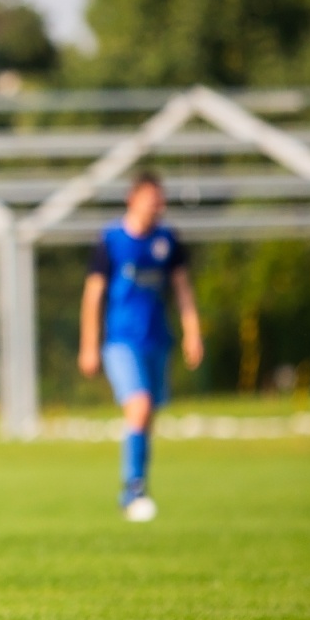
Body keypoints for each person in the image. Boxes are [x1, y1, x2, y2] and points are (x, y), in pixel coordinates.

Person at [77, 171, 203, 522]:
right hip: (120, 341)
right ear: (132, 199)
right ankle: (133, 489)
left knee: (147, 419)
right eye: (151, 199)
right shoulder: (111, 241)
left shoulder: (167, 241)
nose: (156, 206)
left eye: (160, 200)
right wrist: (89, 345)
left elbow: (182, 289)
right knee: (140, 406)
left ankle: (137, 485)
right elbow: (93, 296)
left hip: (156, 340)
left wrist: (192, 332)